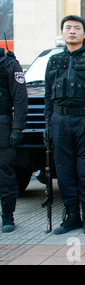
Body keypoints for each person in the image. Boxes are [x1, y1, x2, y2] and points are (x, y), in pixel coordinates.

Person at [44, 15, 85, 235]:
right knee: (64, 172)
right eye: (68, 28)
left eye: (77, 28)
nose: (72, 31)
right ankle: (72, 217)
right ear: (62, 32)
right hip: (59, 121)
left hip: (84, 121)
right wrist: (47, 125)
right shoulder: (54, 60)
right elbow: (47, 96)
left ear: (84, 33)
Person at [0, 48, 27, 233]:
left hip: (2, 123)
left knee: (4, 171)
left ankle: (7, 215)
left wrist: (17, 128)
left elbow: (20, 98)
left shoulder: (9, 64)